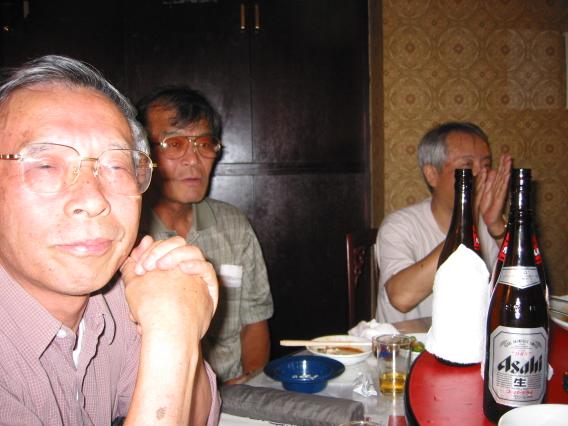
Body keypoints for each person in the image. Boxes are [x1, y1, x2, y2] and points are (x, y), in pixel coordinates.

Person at [0, 55, 221, 425]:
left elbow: (197, 418)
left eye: (116, 165)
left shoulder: (121, 295)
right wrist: (173, 335)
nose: (93, 199)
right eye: (46, 165)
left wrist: (173, 325)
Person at [137, 86, 274, 383]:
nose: (193, 159)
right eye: (175, 144)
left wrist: (249, 384)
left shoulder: (234, 226)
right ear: (143, 155)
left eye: (204, 144)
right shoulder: (127, 238)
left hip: (233, 390)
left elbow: (254, 322)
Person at [376, 121, 512, 323]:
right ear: (432, 174)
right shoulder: (399, 226)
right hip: (408, 342)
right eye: (467, 166)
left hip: (468, 339)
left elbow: (531, 287)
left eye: (485, 165)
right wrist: (465, 224)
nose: (480, 175)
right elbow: (402, 298)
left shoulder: (489, 224)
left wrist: (497, 225)